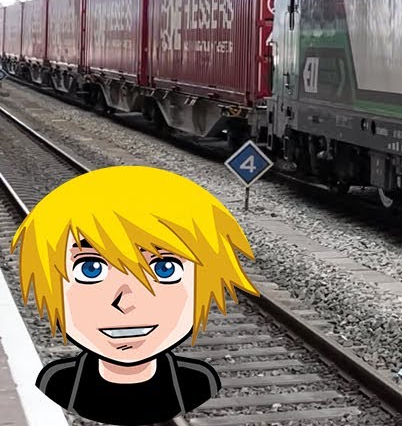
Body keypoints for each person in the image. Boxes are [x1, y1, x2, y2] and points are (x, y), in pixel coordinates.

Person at [9, 165, 259, 425]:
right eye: (90, 268)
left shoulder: (200, 380)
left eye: (164, 268)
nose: (125, 301)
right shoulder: (56, 382)